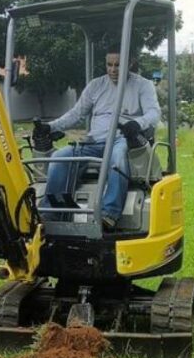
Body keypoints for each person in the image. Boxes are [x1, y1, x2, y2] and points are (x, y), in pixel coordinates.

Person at [33, 46, 160, 231]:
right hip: (93, 142)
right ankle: (51, 213)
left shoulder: (143, 85)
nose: (113, 70)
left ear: (130, 63)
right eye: (109, 64)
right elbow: (76, 114)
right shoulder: (96, 85)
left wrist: (138, 124)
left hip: (122, 138)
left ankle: (109, 214)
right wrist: (50, 126)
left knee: (117, 156)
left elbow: (154, 113)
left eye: (118, 65)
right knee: (60, 156)